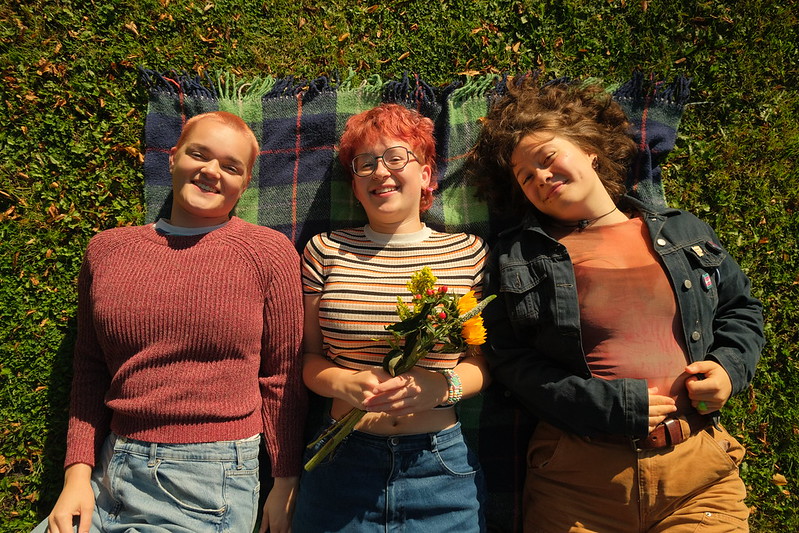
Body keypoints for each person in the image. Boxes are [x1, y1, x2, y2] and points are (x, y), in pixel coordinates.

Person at [470, 79, 764, 532]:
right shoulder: (517, 256)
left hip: (697, 475)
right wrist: (602, 403)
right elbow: (508, 359)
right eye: (525, 176)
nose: (540, 176)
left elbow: (740, 309)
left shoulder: (682, 231)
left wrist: (729, 369)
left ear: (589, 149)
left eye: (547, 158)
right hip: (577, 481)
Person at [34, 111, 307, 533]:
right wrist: (76, 477)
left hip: (208, 481)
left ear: (245, 183)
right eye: (199, 154)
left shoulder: (268, 252)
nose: (211, 171)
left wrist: (285, 481)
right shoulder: (106, 250)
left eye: (230, 166)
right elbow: (89, 367)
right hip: (108, 471)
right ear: (174, 156)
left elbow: (282, 375)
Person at [292, 103, 490, 532]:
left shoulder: (469, 252)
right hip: (340, 463)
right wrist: (341, 383)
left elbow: (482, 365)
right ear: (355, 186)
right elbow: (308, 359)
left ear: (426, 175)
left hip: (440, 470)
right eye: (365, 163)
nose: (380, 171)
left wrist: (441, 387)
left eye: (396, 158)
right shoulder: (324, 250)